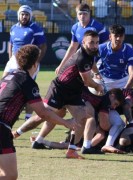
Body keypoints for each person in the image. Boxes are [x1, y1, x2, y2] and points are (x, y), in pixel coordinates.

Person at [0, 44, 76, 179]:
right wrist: (66, 122)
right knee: (10, 175)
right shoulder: (27, 81)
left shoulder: (9, 76)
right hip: (1, 128)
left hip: (3, 129)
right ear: (35, 64)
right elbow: (43, 113)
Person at [28, 30, 105, 159]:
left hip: (72, 92)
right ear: (83, 42)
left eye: (97, 43)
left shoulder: (89, 54)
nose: (95, 45)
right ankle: (17, 133)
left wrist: (97, 74)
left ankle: (71, 150)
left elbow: (92, 64)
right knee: (42, 115)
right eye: (92, 42)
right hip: (60, 89)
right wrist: (97, 85)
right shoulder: (82, 57)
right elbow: (86, 81)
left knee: (82, 117)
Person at [3, 5, 47, 120]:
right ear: (19, 15)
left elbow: (43, 46)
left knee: (27, 88)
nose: (24, 16)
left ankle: (27, 117)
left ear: (30, 16)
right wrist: (10, 58)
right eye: (22, 14)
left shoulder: (35, 28)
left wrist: (36, 62)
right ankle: (7, 109)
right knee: (4, 84)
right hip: (14, 60)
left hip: (29, 61)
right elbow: (11, 44)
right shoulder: (13, 28)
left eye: (27, 14)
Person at [55, 3, 109, 74]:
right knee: (66, 74)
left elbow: (108, 43)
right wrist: (61, 65)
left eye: (85, 13)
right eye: (80, 14)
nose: (82, 16)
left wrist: (97, 56)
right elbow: (73, 47)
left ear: (89, 14)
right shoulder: (75, 28)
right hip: (84, 58)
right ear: (76, 15)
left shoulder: (97, 27)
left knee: (93, 82)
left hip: (98, 61)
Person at [93, 24, 133, 90]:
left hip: (122, 81)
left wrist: (125, 90)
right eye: (116, 36)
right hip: (103, 78)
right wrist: (96, 73)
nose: (118, 38)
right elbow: (91, 62)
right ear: (110, 37)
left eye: (121, 36)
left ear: (124, 37)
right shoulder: (101, 48)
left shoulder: (130, 53)